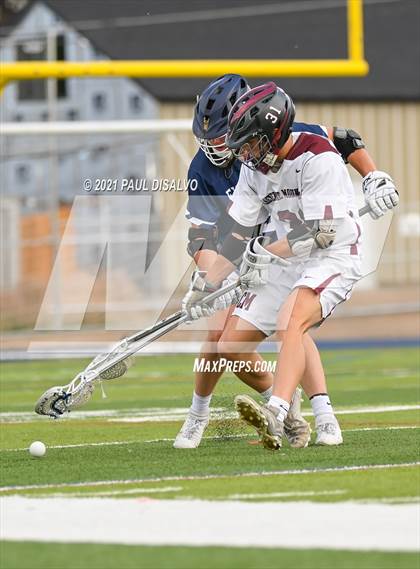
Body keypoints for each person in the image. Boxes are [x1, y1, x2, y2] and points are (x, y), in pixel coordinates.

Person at [176, 76, 399, 449]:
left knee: (291, 319)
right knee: (229, 344)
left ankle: (278, 414)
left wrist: (373, 175)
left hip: (333, 253)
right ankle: (324, 419)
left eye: (249, 143)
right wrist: (207, 284)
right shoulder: (252, 167)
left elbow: (323, 233)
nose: (242, 153)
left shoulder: (318, 156)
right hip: (283, 254)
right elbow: (234, 232)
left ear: (272, 133)